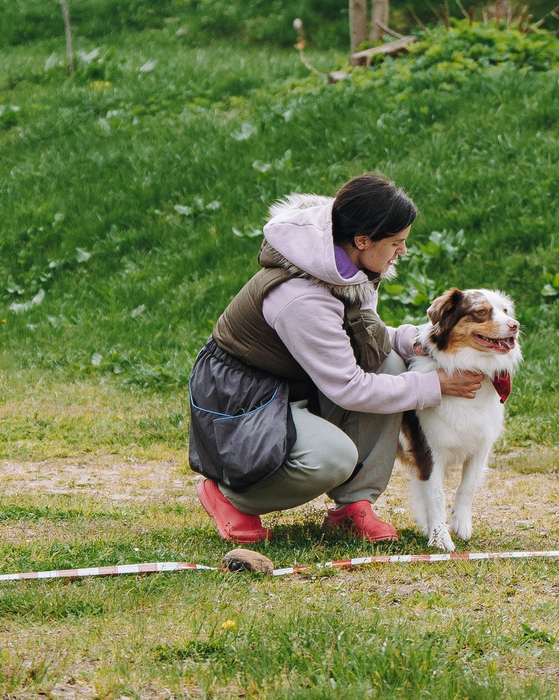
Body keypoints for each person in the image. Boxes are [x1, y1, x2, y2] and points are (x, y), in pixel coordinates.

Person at [192, 174, 482, 544]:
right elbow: (348, 387)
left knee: (390, 362)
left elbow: (357, 336)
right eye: (396, 242)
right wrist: (433, 385)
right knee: (333, 458)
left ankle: (353, 504)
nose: (403, 251)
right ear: (362, 240)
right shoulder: (301, 297)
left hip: (295, 382)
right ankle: (230, 496)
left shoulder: (347, 264)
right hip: (243, 399)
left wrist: (412, 341)